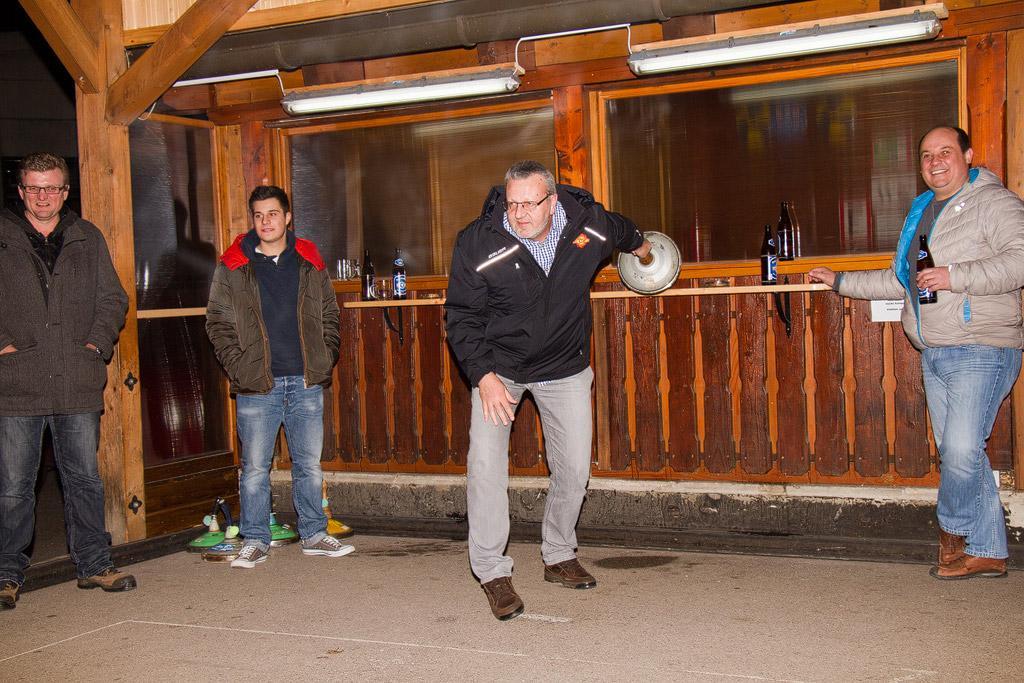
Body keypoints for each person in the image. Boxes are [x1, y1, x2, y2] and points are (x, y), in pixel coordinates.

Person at [810, 126, 1024, 580]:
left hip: (981, 345)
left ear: (968, 155)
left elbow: (1020, 260)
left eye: (945, 152)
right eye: (927, 155)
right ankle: (988, 550)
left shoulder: (994, 202)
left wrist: (954, 275)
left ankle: (952, 533)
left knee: (961, 450)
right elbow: (902, 280)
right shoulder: (922, 210)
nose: (935, 161)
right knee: (964, 454)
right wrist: (840, 281)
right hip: (935, 351)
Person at [445, 160, 652, 620]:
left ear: (552, 202)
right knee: (485, 468)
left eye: (529, 204)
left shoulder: (589, 226)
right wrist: (482, 376)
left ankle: (558, 554)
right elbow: (461, 317)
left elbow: (623, 230)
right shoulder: (478, 241)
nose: (518, 214)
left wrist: (643, 250)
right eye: (512, 204)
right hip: (500, 369)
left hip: (563, 366)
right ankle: (492, 572)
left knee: (574, 469)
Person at [0, 152, 134, 610]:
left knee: (84, 481)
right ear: (21, 191)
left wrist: (95, 345)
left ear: (65, 192)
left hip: (76, 381)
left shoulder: (86, 236)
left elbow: (112, 298)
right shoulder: (3, 236)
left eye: (52, 188)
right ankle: (6, 574)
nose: (43, 196)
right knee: (13, 486)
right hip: (17, 384)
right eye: (34, 188)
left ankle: (95, 564)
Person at [206, 185, 351, 568]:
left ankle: (315, 534)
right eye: (258, 215)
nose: (265, 221)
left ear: (287, 217)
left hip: (305, 382)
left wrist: (324, 357)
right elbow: (217, 321)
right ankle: (255, 539)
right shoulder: (233, 265)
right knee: (255, 468)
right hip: (257, 385)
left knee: (309, 465)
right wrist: (240, 366)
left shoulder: (309, 261)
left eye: (272, 213)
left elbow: (330, 313)